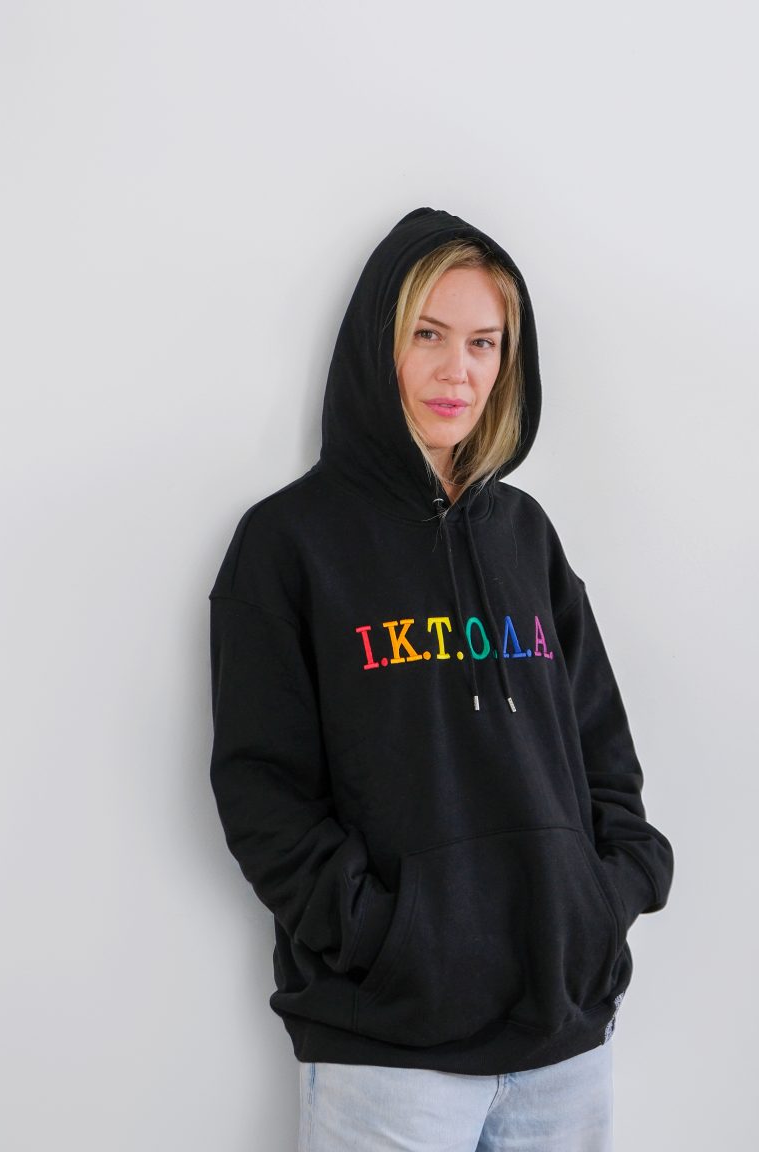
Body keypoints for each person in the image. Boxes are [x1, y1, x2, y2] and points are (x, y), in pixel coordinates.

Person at [207, 207, 674, 1151]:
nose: (458, 370)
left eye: (483, 342)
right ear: (378, 342)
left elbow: (603, 752)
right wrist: (388, 937)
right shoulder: (289, 544)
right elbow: (262, 790)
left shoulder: (526, 535)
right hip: (389, 1056)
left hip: (565, 1043)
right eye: (428, 334)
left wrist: (603, 898)